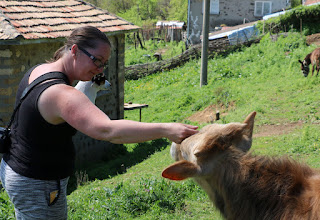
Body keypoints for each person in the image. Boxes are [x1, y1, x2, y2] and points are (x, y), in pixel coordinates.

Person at [0, 26, 198, 220]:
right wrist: (166, 129)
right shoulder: (61, 94)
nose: (100, 70)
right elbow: (108, 130)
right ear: (75, 50)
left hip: (16, 168)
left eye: (104, 64)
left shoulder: (40, 70)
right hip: (37, 185)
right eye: (96, 61)